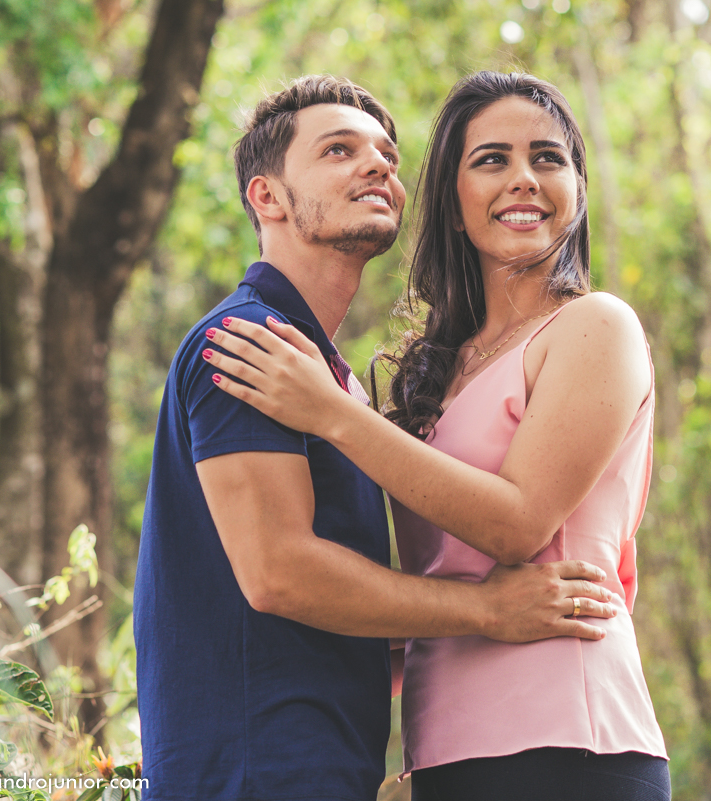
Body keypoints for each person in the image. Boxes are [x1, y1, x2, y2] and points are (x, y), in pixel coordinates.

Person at [133, 74, 618, 801]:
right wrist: (486, 608)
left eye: (388, 155)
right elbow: (280, 574)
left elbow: (334, 601)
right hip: (249, 772)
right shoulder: (250, 344)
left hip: (330, 764)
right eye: (338, 150)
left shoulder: (332, 382)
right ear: (266, 197)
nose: (377, 166)